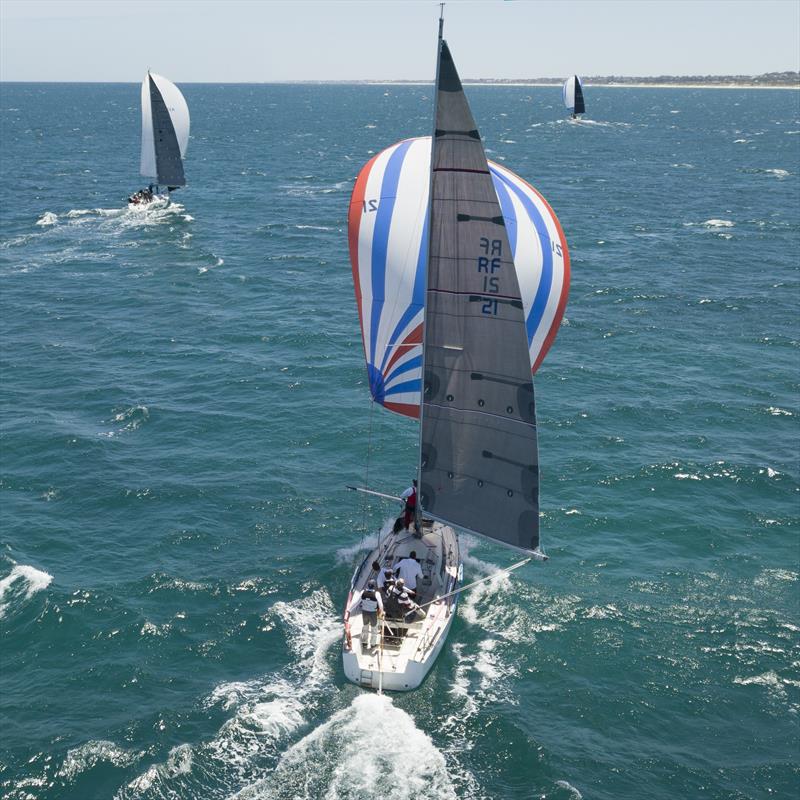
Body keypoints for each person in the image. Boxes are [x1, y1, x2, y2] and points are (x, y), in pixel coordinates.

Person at [358, 579, 383, 651]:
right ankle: (372, 645)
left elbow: (357, 602)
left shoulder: (363, 592)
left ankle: (364, 643)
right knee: (374, 629)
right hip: (373, 614)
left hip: (364, 613)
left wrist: (349, 610)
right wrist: (381, 613)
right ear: (374, 586)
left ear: (368, 585)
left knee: (365, 627)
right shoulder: (377, 594)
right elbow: (381, 606)